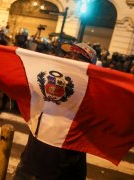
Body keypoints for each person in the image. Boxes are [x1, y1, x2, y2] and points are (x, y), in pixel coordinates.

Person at [13, 43, 97, 180]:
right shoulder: (47, 81)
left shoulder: (91, 96)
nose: (71, 60)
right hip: (28, 167)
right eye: (69, 55)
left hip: (62, 174)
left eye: (79, 58)